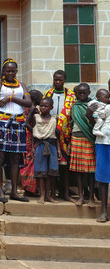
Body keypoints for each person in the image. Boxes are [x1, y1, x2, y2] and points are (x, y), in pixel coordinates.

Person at [0, 59, 32, 203]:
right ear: (3, 71)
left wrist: (11, 98)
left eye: (13, 71)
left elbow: (28, 103)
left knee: (15, 158)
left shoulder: (22, 85)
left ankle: (14, 191)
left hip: (18, 123)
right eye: (7, 71)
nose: (10, 73)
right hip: (2, 123)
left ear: (16, 71)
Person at [44, 70, 75, 201]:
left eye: (60, 80)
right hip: (50, 131)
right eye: (55, 79)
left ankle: (65, 192)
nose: (57, 82)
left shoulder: (71, 95)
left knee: (65, 164)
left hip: (65, 132)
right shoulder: (48, 93)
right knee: (51, 162)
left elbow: (73, 114)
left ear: (64, 80)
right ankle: (51, 192)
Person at [28, 97, 60, 204]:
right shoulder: (36, 117)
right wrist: (33, 147)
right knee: (41, 172)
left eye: (46, 106)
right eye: (41, 105)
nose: (43, 108)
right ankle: (41, 195)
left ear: (51, 107)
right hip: (40, 145)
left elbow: (57, 136)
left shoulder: (55, 119)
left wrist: (59, 149)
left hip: (51, 146)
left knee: (51, 173)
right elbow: (33, 133)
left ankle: (49, 195)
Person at [69, 83, 96, 208]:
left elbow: (95, 123)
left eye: (84, 93)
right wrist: (69, 142)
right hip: (75, 138)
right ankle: (80, 196)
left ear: (89, 92)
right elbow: (71, 124)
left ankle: (91, 197)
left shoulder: (94, 105)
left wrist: (90, 114)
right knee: (78, 170)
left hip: (89, 139)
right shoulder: (74, 106)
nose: (82, 95)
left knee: (90, 171)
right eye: (79, 93)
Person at [93, 89, 110, 222]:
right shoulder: (101, 105)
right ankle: (104, 211)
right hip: (103, 142)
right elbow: (95, 119)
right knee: (103, 177)